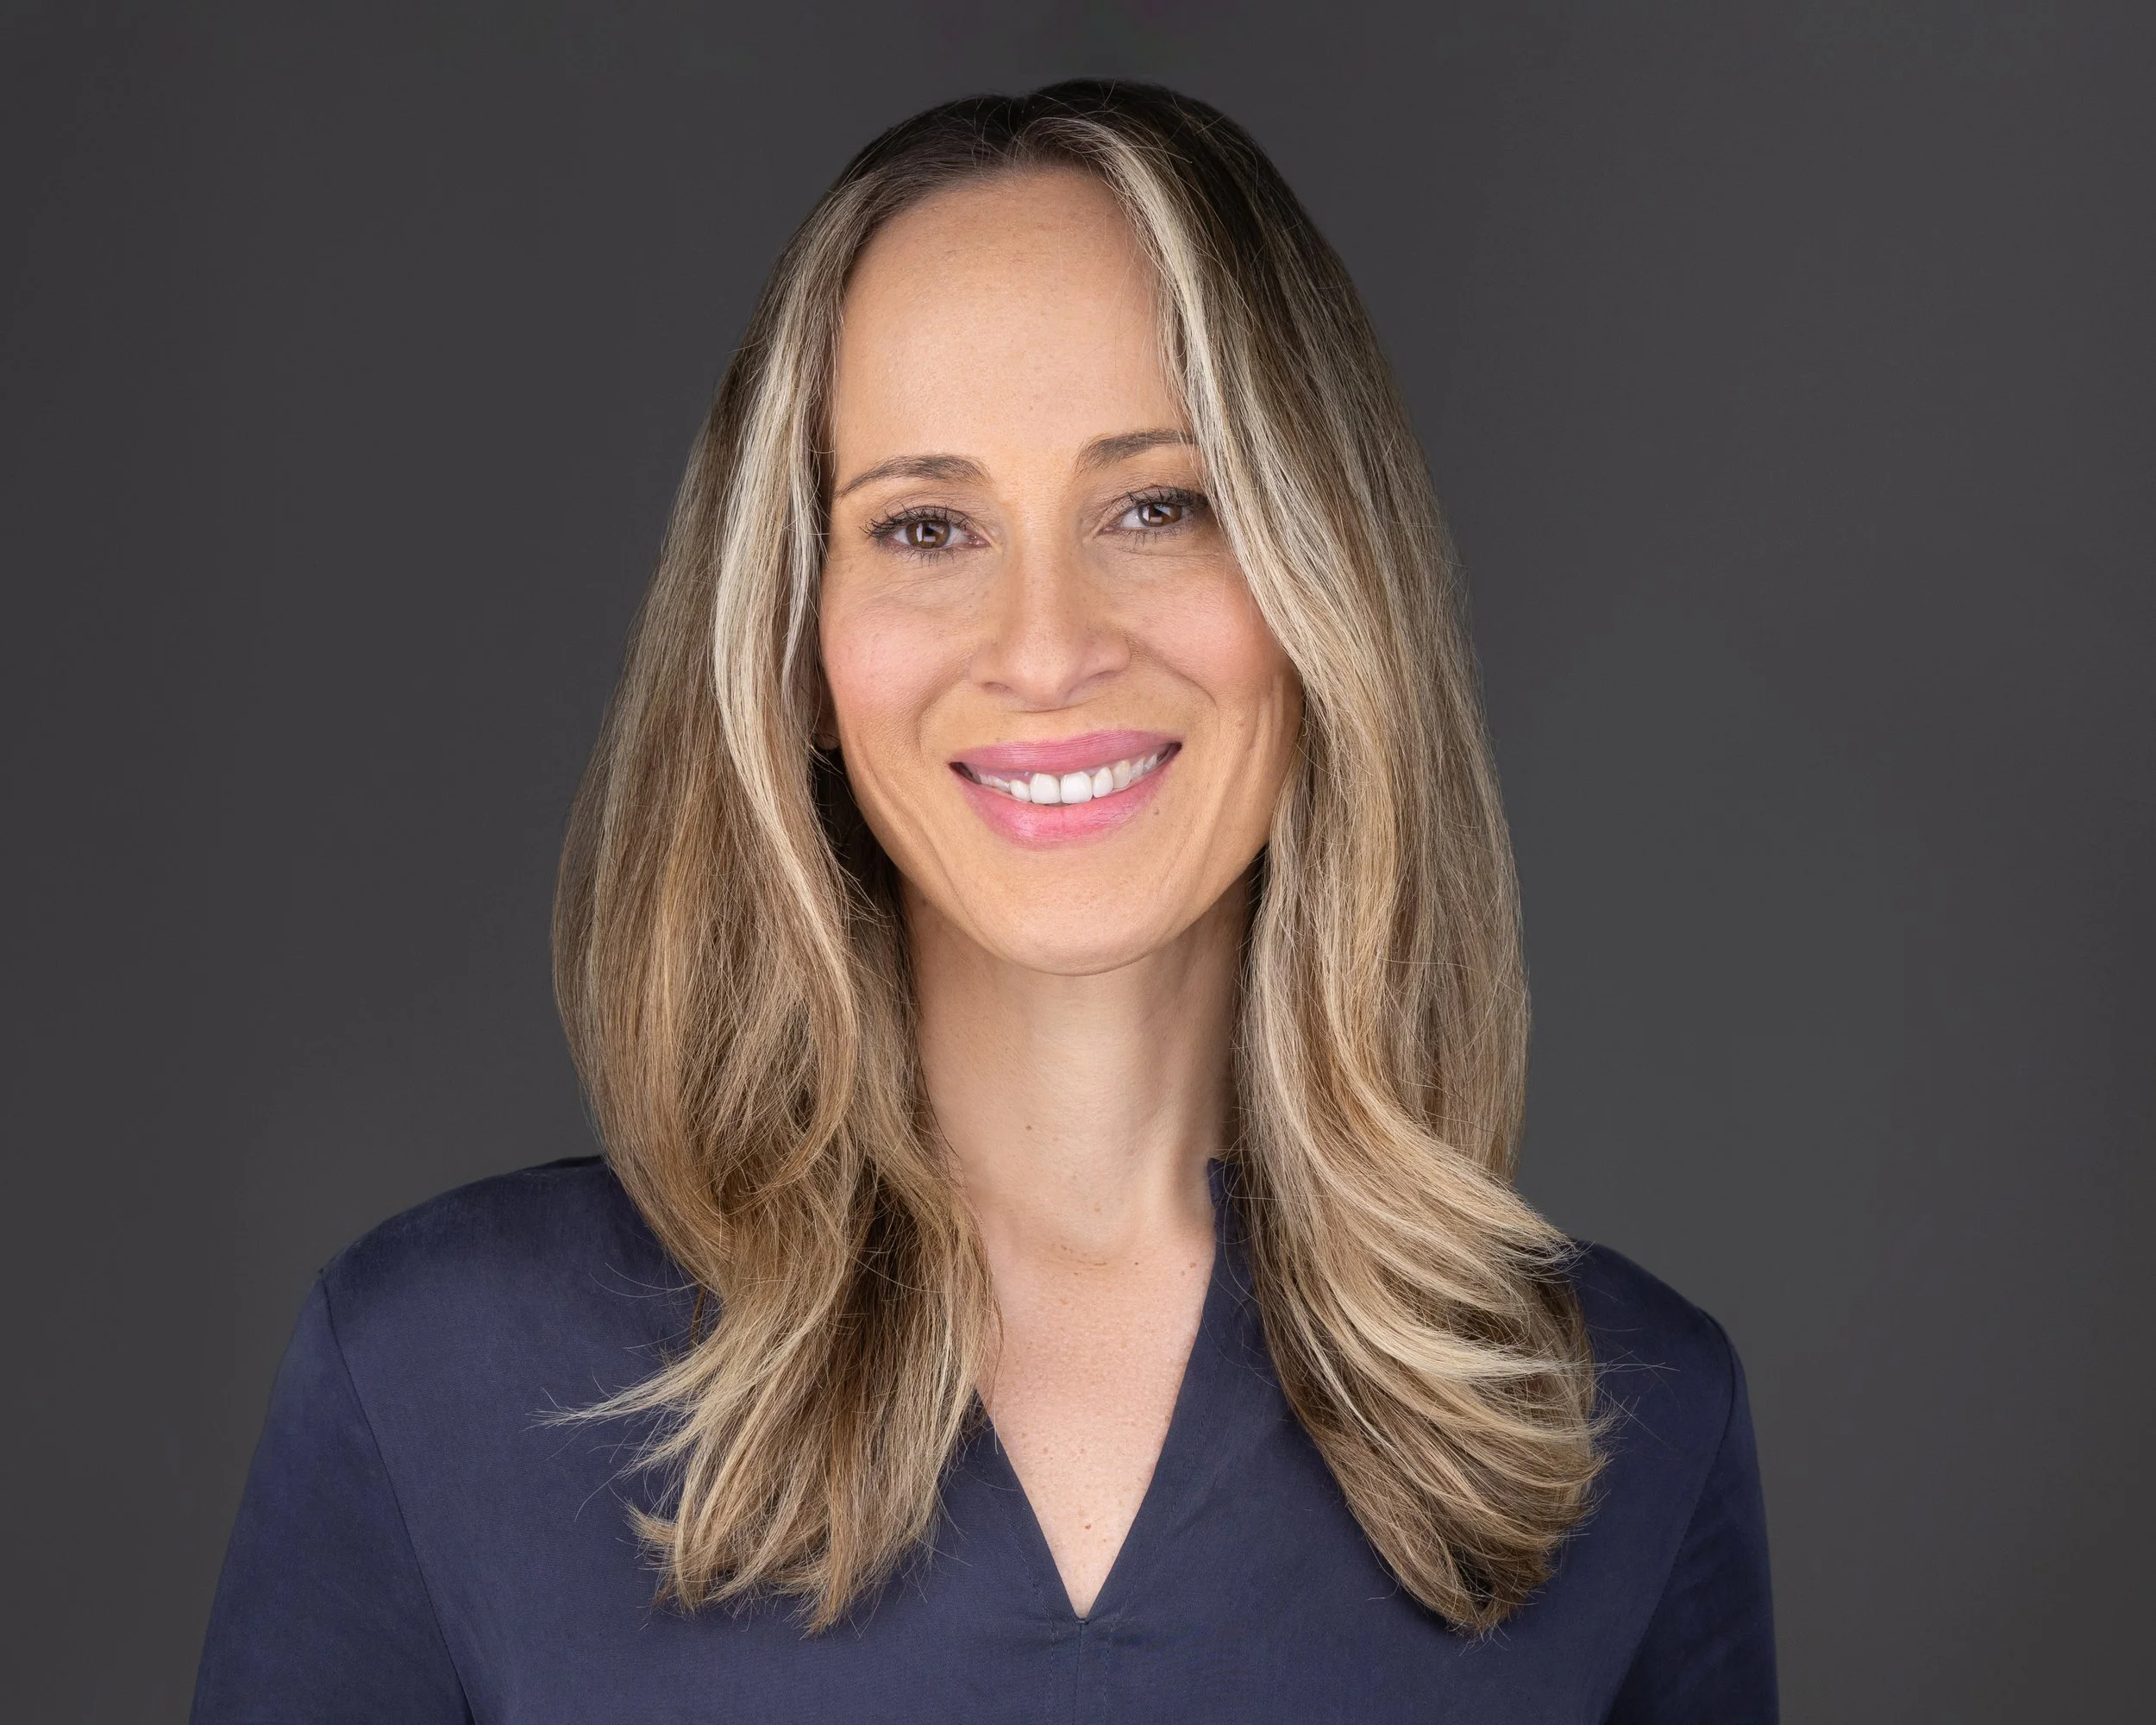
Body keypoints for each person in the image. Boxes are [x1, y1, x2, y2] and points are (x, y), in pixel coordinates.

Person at [193, 82, 1775, 1722]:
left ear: (1326, 586)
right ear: (799, 649)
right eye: (927, 526)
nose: (1043, 644)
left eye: (1158, 505)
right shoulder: (434, 1381)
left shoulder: (1611, 1424)